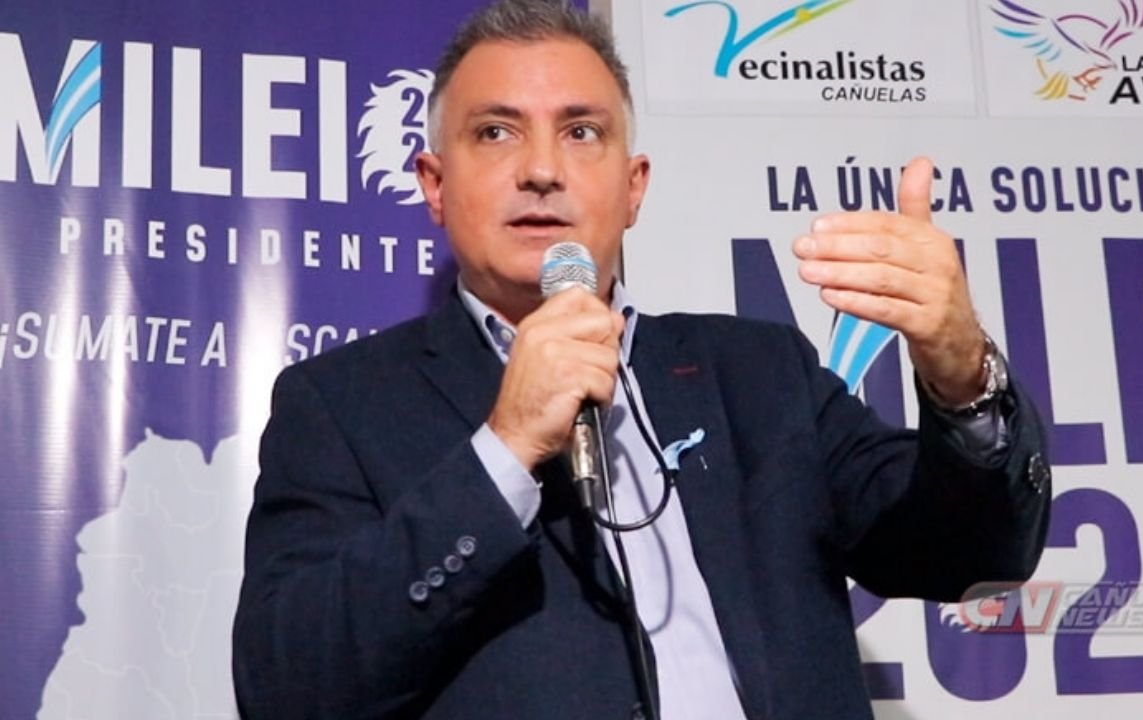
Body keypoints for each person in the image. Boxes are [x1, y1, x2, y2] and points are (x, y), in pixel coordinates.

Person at [231, 2, 1051, 719]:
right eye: (496, 132)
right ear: (434, 186)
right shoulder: (338, 405)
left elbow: (977, 554)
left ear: (634, 187)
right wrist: (504, 450)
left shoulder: (759, 373)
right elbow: (288, 687)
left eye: (581, 132)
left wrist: (961, 373)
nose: (542, 171)